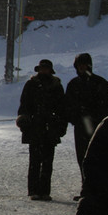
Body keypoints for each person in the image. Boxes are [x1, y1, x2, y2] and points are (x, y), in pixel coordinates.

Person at [16, 58, 66, 201]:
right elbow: (24, 105)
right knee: (35, 161)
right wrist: (25, 122)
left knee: (48, 162)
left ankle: (45, 191)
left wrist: (60, 126)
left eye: (46, 69)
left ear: (50, 70)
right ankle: (33, 190)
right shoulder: (31, 85)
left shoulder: (56, 86)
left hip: (50, 128)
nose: (44, 71)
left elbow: (62, 108)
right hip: (35, 127)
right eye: (42, 69)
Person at [67, 53, 108, 178]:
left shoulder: (99, 83)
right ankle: (86, 187)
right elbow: (67, 105)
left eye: (84, 65)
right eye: (79, 65)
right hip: (81, 126)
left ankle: (96, 189)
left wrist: (98, 119)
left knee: (98, 157)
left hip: (98, 126)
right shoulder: (74, 84)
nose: (81, 68)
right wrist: (75, 118)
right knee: (82, 157)